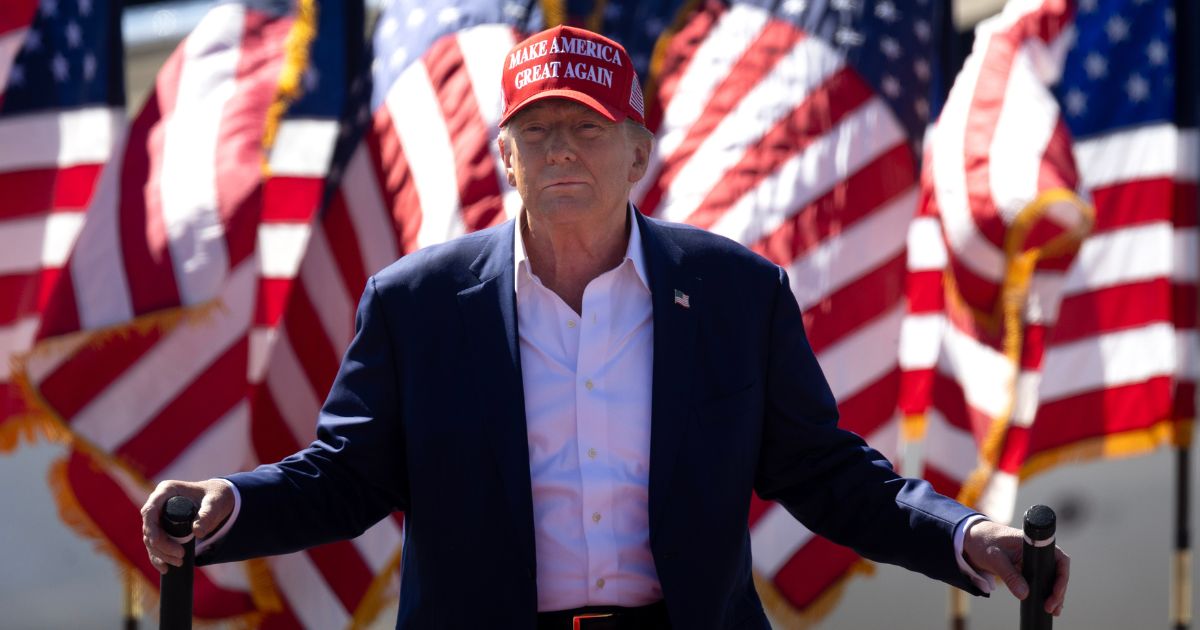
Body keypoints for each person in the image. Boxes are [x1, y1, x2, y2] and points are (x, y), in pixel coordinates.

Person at [142, 25, 1069, 629]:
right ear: (503, 156)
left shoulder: (738, 294)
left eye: (585, 128)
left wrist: (965, 536)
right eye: (536, 130)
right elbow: (346, 479)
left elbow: (826, 474)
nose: (559, 149)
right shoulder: (413, 305)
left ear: (638, 154)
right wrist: (236, 505)